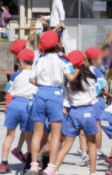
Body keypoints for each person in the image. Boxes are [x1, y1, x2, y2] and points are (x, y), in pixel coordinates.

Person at [27, 31, 79, 175]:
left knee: (37, 133)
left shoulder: (39, 59)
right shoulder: (64, 60)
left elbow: (31, 79)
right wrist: (78, 70)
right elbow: (71, 77)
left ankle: (33, 165)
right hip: (55, 94)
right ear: (57, 43)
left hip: (40, 93)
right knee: (56, 135)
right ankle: (50, 167)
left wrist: (44, 83)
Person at [53, 50, 99, 175]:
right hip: (88, 111)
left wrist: (65, 106)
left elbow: (66, 100)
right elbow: (95, 96)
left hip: (73, 112)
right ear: (83, 61)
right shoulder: (90, 77)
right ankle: (92, 172)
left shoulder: (68, 80)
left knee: (67, 145)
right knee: (92, 144)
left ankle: (54, 169)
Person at [0, 49, 37, 174]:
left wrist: (7, 105)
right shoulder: (36, 74)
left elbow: (8, 90)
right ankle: (28, 165)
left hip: (14, 104)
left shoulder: (16, 75)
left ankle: (4, 163)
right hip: (28, 105)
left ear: (21, 61)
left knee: (9, 135)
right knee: (29, 136)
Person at [86, 47, 111, 159]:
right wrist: (111, 95)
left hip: (87, 101)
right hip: (97, 101)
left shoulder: (85, 70)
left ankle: (89, 147)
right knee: (97, 126)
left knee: (89, 126)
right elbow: (101, 89)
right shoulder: (97, 71)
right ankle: (98, 149)